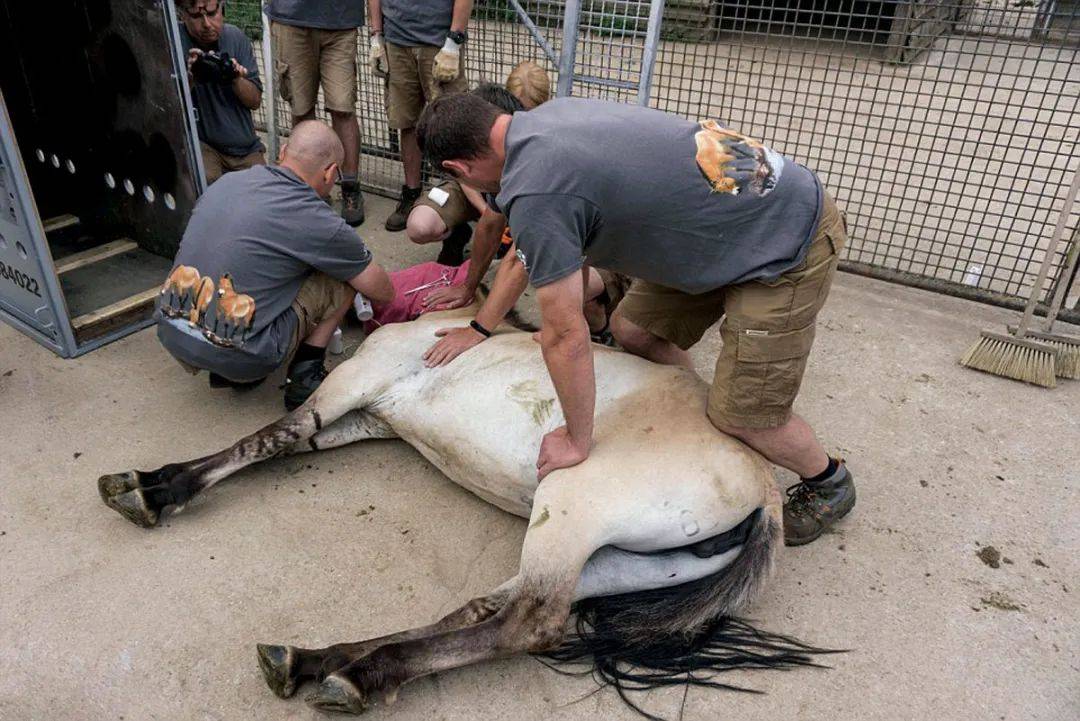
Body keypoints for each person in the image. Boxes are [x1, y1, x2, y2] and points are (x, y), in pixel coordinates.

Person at [416, 94, 855, 546]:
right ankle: (703, 416)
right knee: (633, 331)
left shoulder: (537, 189)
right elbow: (571, 242)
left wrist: (576, 439)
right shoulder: (547, 118)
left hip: (784, 239)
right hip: (726, 224)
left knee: (749, 418)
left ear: (459, 169)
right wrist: (487, 326)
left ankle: (828, 483)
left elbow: (565, 335)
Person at [156, 121, 394, 411]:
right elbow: (381, 290)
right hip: (244, 356)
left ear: (282, 153)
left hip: (172, 333)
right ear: (331, 173)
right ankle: (305, 375)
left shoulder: (228, 182)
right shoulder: (318, 219)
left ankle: (225, 361)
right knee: (342, 277)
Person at [406, 64, 550, 265]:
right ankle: (456, 233)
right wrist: (487, 213)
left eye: (530, 112)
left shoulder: (547, 134)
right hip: (474, 188)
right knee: (419, 226)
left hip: (508, 196)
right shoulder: (482, 109)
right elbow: (463, 174)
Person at [367, 0, 471, 232]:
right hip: (397, 41)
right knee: (407, 122)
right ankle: (412, 192)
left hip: (438, 41)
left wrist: (454, 40)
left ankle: (456, 199)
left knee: (450, 125)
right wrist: (376, 35)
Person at [265, 0, 366, 226]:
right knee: (301, 108)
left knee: (343, 108)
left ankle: (350, 187)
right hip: (292, 18)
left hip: (341, 21)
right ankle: (306, 190)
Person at [177, 0, 265, 185]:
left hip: (244, 147)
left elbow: (255, 101)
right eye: (196, 16)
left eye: (212, 13)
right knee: (206, 181)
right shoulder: (174, 40)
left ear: (222, 8)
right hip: (203, 143)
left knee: (263, 188)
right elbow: (168, 105)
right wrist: (190, 78)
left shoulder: (235, 37)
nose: (207, 24)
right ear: (182, 15)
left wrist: (234, 77)